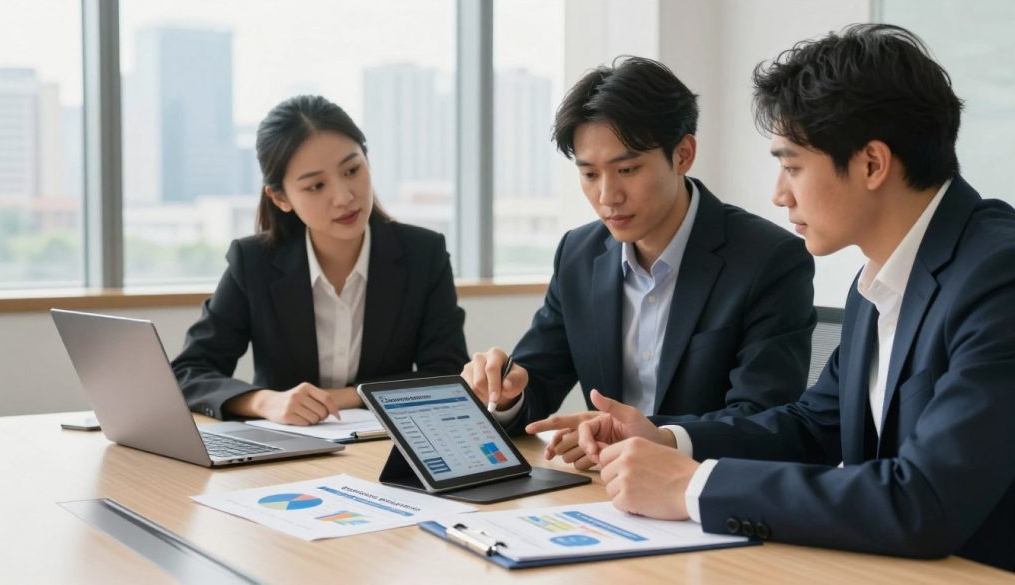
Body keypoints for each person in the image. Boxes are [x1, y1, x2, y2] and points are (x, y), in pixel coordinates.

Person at [573, 24, 1015, 570]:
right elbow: (813, 427)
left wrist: (694, 487)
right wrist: (671, 441)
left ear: (872, 164)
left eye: (792, 166)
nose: (779, 194)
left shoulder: (999, 275)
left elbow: (923, 500)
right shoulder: (881, 280)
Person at [461, 57, 816, 470]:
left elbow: (763, 419)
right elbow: (536, 386)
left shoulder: (767, 259)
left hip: (706, 490)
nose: (608, 196)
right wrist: (508, 393)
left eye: (626, 169)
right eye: (590, 174)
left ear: (683, 154)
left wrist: (652, 437)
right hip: (604, 489)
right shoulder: (578, 254)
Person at [172, 95, 468, 425]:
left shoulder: (423, 254)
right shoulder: (253, 262)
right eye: (316, 186)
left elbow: (448, 374)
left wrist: (348, 396)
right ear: (281, 197)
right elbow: (189, 372)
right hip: (285, 452)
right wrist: (264, 402)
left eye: (352, 170)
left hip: (386, 449)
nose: (344, 197)